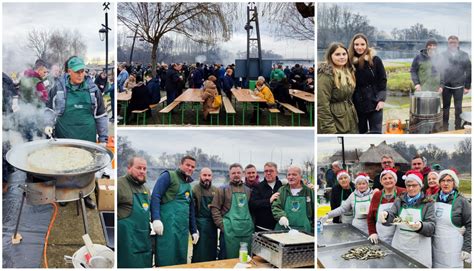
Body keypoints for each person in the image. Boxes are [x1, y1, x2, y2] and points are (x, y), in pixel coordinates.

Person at [44, 56, 108, 209]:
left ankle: (85, 195)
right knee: (64, 166)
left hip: (87, 136)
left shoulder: (93, 90)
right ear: (69, 72)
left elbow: (100, 115)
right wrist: (47, 124)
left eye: (83, 71)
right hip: (64, 135)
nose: (81, 75)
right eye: (77, 72)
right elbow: (48, 110)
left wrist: (104, 137)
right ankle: (64, 194)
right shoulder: (57, 88)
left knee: (86, 168)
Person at [380, 170, 435, 267]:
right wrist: (386, 216)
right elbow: (392, 216)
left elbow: (431, 228)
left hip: (419, 252)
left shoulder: (428, 203)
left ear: (420, 186)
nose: (411, 188)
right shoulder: (400, 200)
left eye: (414, 185)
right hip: (400, 246)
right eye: (408, 185)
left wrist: (421, 226)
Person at [151, 155, 198, 267]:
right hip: (167, 228)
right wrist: (156, 219)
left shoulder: (188, 185)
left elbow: (190, 209)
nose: (190, 168)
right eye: (187, 165)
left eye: (193, 166)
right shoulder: (168, 176)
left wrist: (194, 229)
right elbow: (156, 196)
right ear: (181, 164)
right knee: (165, 259)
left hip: (182, 231)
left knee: (180, 260)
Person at [210, 163, 253, 259]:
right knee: (226, 261)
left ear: (242, 174)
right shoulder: (222, 189)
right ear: (229, 175)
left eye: (238, 172)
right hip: (229, 232)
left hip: (246, 232)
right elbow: (215, 208)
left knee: (245, 260)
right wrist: (222, 225)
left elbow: (252, 210)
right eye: (233, 173)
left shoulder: (248, 190)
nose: (236, 174)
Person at [348, 33, 387, 134]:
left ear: (366, 45)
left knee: (376, 131)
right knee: (360, 131)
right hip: (357, 102)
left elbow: (382, 80)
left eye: (362, 44)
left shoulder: (375, 60)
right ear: (353, 45)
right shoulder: (349, 62)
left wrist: (381, 99)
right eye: (356, 44)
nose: (359, 47)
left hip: (375, 101)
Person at [432, 169, 471, 267]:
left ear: (454, 183)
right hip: (435, 248)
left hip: (454, 251)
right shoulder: (432, 199)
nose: (446, 183)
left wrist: (467, 248)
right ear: (439, 183)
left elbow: (470, 224)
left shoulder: (461, 201)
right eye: (443, 180)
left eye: (449, 180)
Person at [117, 157, 152, 268]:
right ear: (129, 168)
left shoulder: (146, 189)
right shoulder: (120, 185)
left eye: (144, 168)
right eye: (138, 168)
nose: (142, 171)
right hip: (126, 242)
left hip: (143, 239)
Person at [317, 42, 358, 134]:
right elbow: (322, 105)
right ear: (330, 56)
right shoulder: (325, 74)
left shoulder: (348, 72)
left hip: (349, 119)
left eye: (344, 54)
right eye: (337, 54)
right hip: (335, 122)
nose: (342, 57)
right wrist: (329, 130)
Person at [439, 35, 472, 130]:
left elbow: (469, 70)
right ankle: (445, 127)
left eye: (454, 42)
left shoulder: (464, 55)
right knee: (445, 108)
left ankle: (458, 127)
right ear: (448, 44)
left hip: (459, 86)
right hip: (446, 86)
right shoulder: (443, 55)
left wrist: (467, 86)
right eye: (450, 42)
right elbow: (440, 71)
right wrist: (440, 85)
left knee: (458, 108)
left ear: (458, 43)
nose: (453, 44)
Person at [367, 168, 406, 244]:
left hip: (399, 236)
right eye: (384, 179)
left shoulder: (403, 193)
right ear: (381, 182)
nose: (388, 181)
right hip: (381, 235)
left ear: (395, 180)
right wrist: (372, 232)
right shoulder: (377, 195)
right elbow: (370, 217)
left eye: (390, 178)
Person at [272, 165, 314, 233]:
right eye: (289, 175)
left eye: (294, 174)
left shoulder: (309, 191)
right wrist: (281, 216)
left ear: (301, 177)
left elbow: (314, 211)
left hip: (304, 231)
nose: (291, 177)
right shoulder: (282, 190)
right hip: (284, 230)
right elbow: (276, 206)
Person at [191, 168, 218, 263]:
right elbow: (191, 212)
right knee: (199, 253)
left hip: (212, 226)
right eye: (204, 175)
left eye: (209, 175)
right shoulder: (195, 189)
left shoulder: (215, 190)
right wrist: (193, 229)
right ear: (200, 176)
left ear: (212, 177)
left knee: (211, 252)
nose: (207, 178)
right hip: (200, 226)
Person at [249, 162, 283, 232]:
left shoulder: (282, 186)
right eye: (266, 171)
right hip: (261, 228)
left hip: (279, 228)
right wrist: (269, 201)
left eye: (271, 171)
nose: (268, 173)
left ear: (276, 172)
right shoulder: (258, 187)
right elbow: (252, 204)